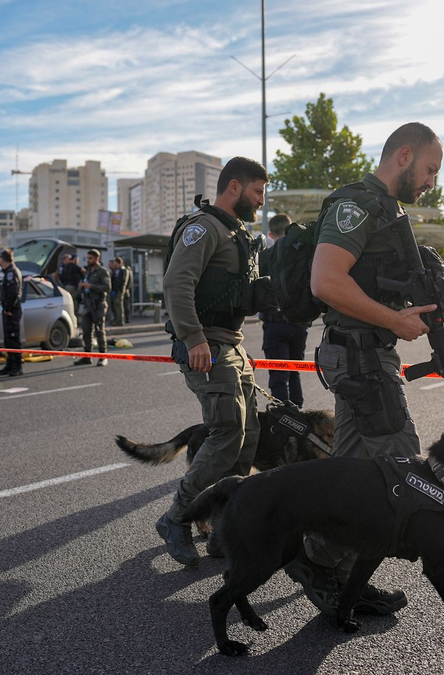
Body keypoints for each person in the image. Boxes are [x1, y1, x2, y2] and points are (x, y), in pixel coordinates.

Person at [294, 122, 444, 617]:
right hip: (358, 355)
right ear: (404, 156)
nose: (432, 182)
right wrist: (393, 321)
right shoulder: (357, 205)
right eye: (430, 169)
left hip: (369, 354)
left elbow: (382, 286)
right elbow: (325, 280)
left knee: (357, 478)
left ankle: (330, 570)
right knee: (399, 473)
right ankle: (327, 567)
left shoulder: (389, 211)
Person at [157, 156, 270, 567]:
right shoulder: (203, 228)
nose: (261, 201)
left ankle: (225, 529)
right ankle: (176, 518)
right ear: (235, 187)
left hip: (232, 346)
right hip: (207, 347)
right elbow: (176, 282)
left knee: (247, 438)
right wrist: (193, 337)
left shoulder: (235, 232)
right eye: (257, 192)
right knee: (226, 435)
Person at [260, 214, 308, 406]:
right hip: (299, 324)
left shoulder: (264, 257)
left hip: (274, 324)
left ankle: (284, 417)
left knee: (279, 375)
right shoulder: (303, 255)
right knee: (295, 371)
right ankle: (298, 413)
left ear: (271, 234)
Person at [75, 248, 111, 367]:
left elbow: (107, 287)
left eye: (90, 258)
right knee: (86, 331)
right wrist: (81, 286)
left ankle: (103, 357)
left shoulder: (102, 272)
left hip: (98, 305)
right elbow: (83, 287)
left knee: (99, 331)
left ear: (97, 258)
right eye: (87, 258)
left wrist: (92, 286)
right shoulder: (88, 271)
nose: (88, 260)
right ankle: (87, 356)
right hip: (88, 305)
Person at [0, 248, 25, 377]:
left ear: (3, 260)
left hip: (12, 311)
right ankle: (10, 364)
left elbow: (13, 292)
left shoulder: (11, 272)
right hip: (9, 310)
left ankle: (17, 366)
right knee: (8, 339)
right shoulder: (9, 271)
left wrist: (8, 308)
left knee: (13, 339)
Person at [110, 257, 132, 326]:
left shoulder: (123, 270)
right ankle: (117, 319)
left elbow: (124, 281)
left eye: (115, 263)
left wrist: (122, 289)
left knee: (119, 305)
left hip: (120, 290)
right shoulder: (116, 270)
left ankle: (120, 320)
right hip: (115, 290)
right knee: (115, 305)